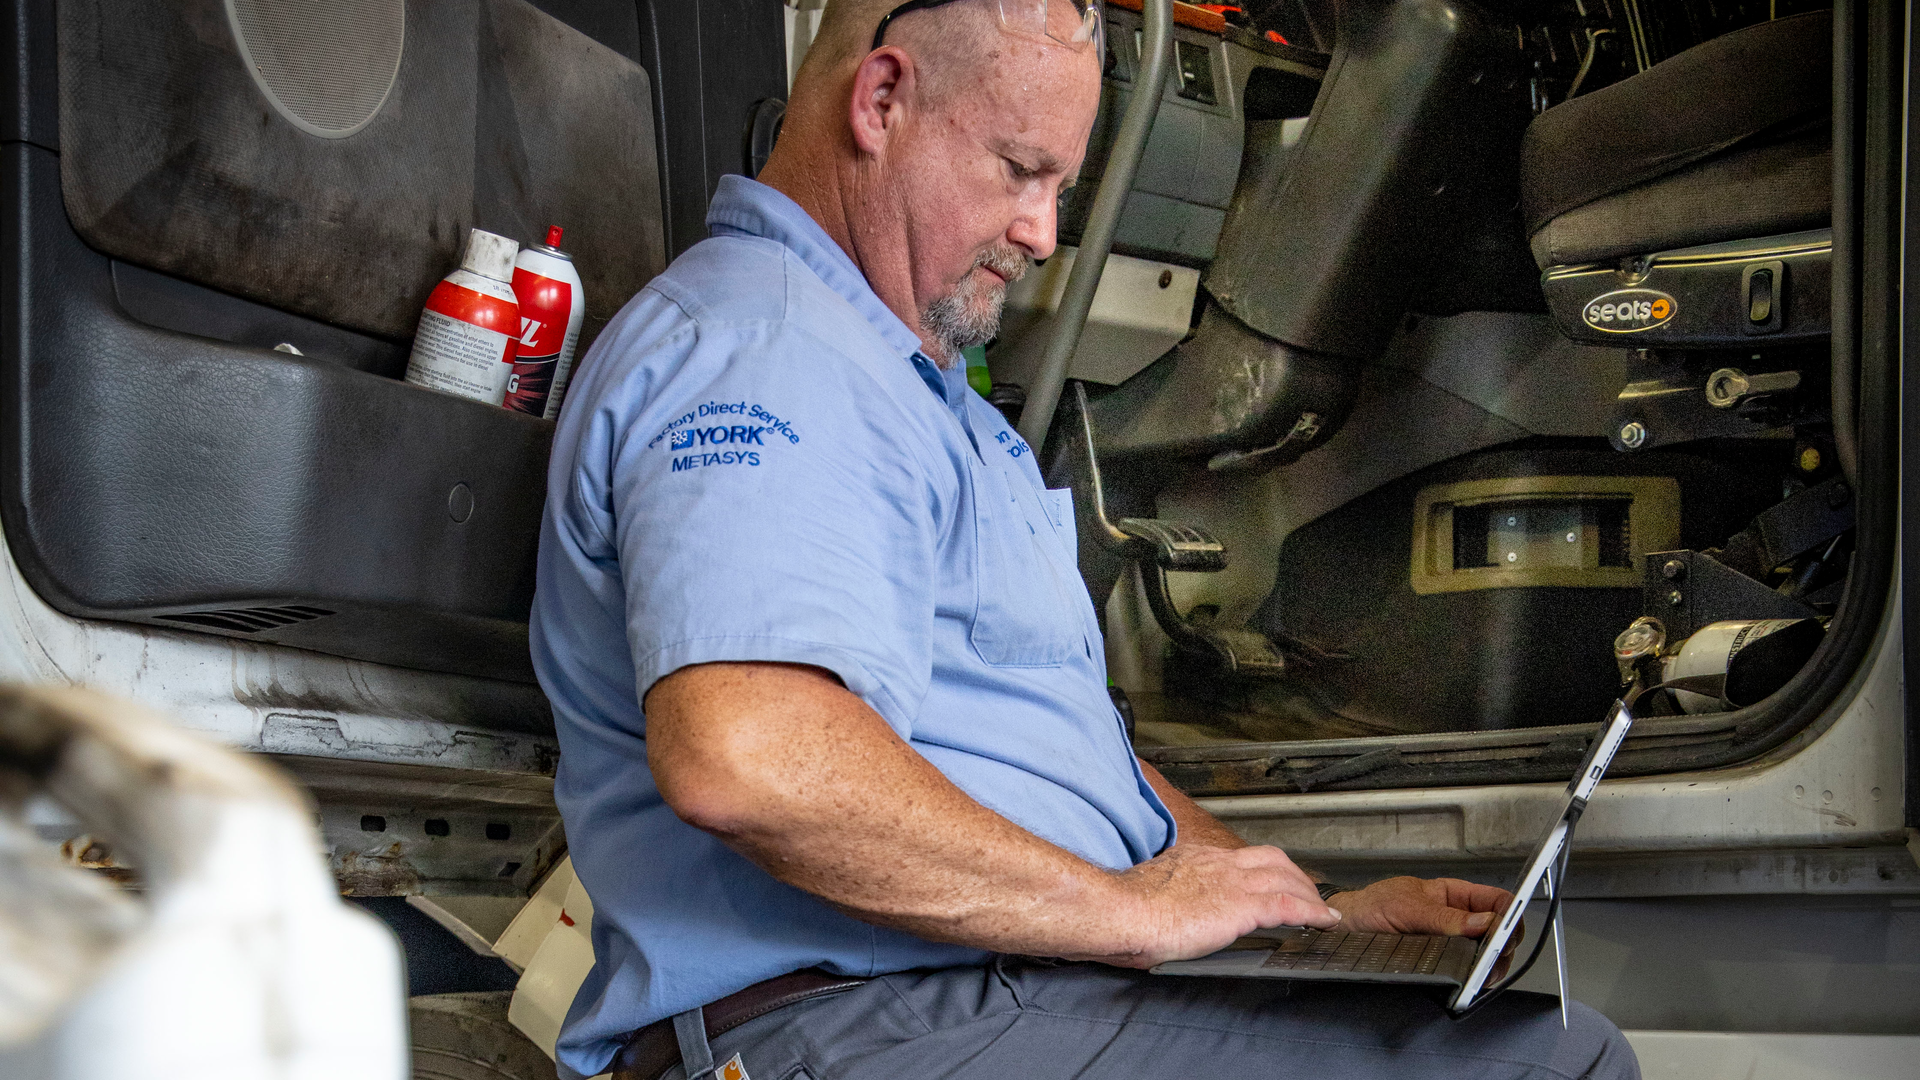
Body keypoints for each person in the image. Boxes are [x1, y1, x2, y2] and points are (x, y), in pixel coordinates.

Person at [530, 1, 1641, 1077]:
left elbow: (1068, 769)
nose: (1042, 232)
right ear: (881, 99)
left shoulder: (913, 392)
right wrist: (1125, 911)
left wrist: (1303, 915)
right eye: (1019, 169)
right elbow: (750, 761)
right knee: (1548, 1065)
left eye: (1063, 186)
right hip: (839, 1024)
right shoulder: (765, 348)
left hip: (980, 1000)